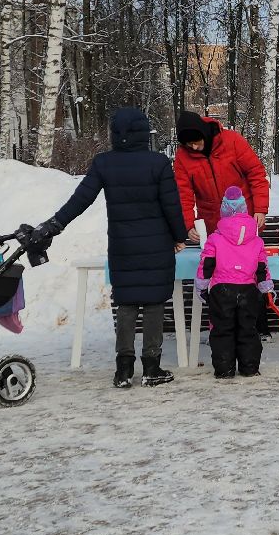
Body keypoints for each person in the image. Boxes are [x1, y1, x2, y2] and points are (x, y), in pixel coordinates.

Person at [31, 107, 185, 388]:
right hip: (156, 245)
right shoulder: (158, 163)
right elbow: (171, 206)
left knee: (126, 304)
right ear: (143, 133)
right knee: (153, 304)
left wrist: (55, 223)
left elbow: (81, 199)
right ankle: (152, 368)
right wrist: (179, 236)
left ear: (115, 135)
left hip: (122, 246)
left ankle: (123, 370)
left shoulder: (104, 164)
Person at [196, 186, 271, 379]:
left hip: (222, 291)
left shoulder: (215, 239)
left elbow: (206, 265)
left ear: (224, 210)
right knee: (248, 329)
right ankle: (250, 367)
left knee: (222, 330)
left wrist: (202, 287)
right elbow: (262, 267)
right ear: (245, 209)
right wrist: (265, 287)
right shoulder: (256, 240)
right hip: (248, 290)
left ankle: (224, 369)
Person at [173, 110, 270, 242]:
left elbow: (257, 175)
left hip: (245, 219)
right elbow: (183, 194)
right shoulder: (182, 157)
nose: (194, 147)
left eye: (196, 141)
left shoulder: (233, 141)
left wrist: (260, 209)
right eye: (189, 144)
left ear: (203, 133)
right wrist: (189, 225)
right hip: (213, 225)